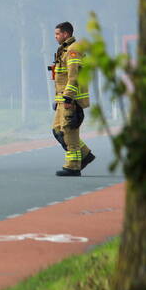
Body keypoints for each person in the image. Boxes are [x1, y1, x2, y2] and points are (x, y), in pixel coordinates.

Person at [51, 21, 95, 176]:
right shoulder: (64, 50)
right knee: (57, 130)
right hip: (63, 98)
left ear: (66, 34)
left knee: (69, 131)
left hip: (71, 99)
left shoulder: (72, 51)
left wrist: (69, 98)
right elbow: (61, 78)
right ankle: (85, 155)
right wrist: (58, 98)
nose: (55, 37)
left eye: (57, 34)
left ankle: (73, 166)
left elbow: (73, 77)